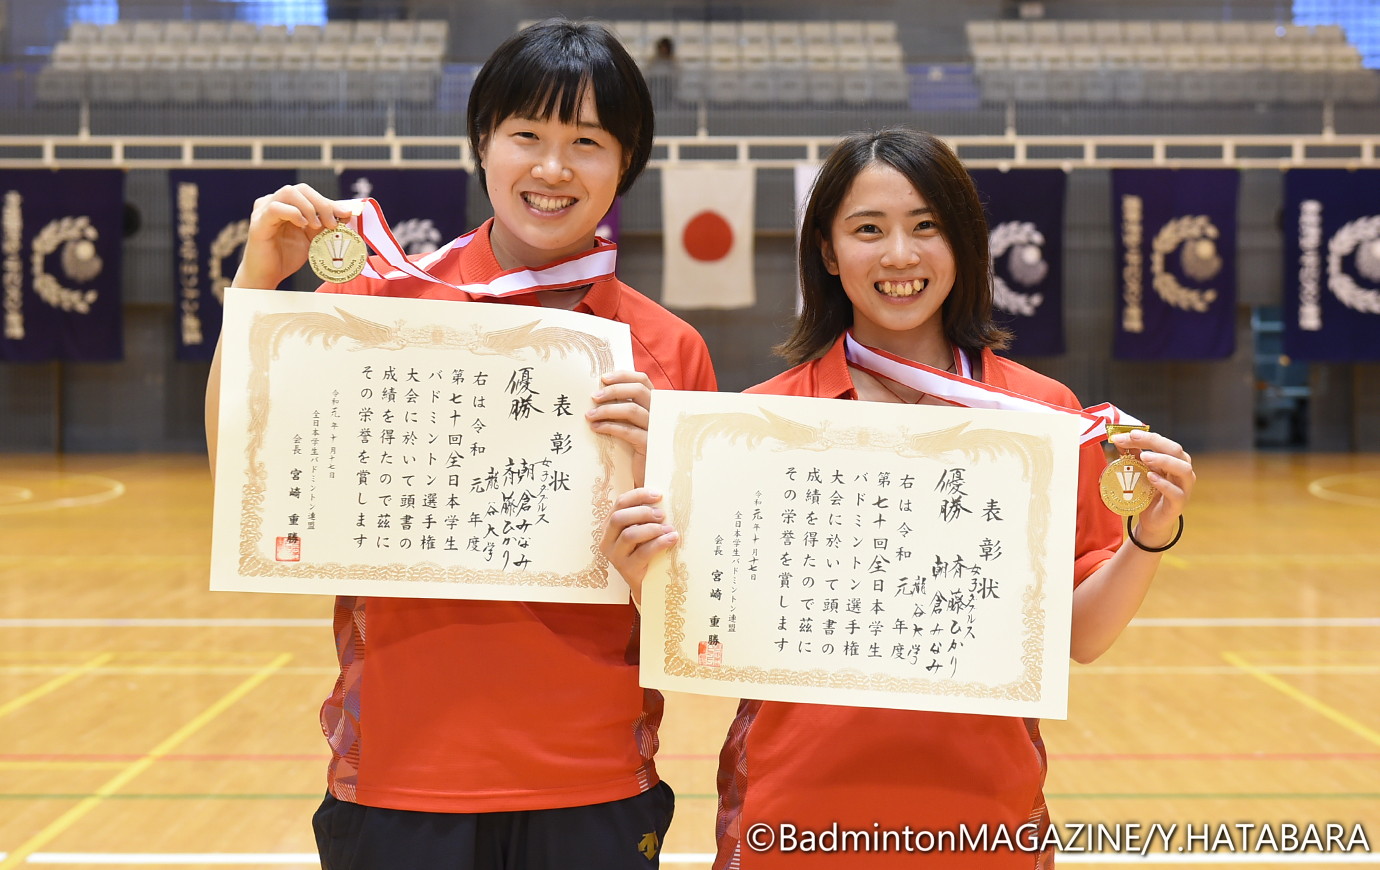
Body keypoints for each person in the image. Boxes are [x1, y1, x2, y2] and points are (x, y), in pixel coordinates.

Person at [602, 127, 1195, 868]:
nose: (900, 256)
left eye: (927, 226)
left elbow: (1082, 637)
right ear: (827, 251)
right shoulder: (759, 423)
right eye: (868, 230)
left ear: (965, 241)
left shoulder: (1039, 418)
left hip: (985, 822)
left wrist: (1151, 536)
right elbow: (707, 629)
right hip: (793, 822)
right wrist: (648, 579)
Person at [205, 19, 716, 870]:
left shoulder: (665, 352)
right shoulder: (385, 312)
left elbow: (695, 610)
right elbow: (240, 488)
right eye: (527, 136)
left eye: (586, 142)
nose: (552, 169)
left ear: (625, 164)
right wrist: (256, 286)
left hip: (592, 783)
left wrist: (655, 550)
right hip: (400, 779)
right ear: (483, 144)